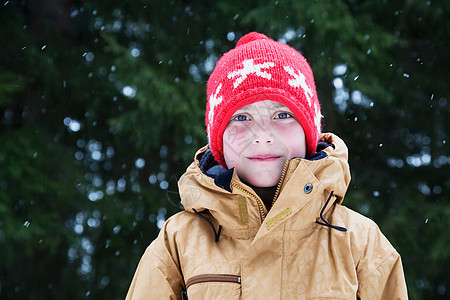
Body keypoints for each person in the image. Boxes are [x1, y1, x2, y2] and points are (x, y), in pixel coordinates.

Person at [125, 32, 408, 299]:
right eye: (241, 117)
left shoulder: (359, 242)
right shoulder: (179, 243)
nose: (262, 136)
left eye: (282, 114)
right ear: (218, 140)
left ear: (308, 132)